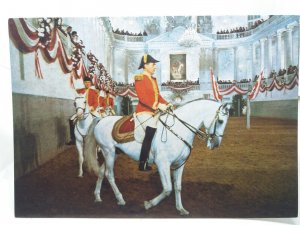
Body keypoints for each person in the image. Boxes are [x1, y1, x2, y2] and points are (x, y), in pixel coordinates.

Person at [135, 54, 173, 171]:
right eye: (153, 64)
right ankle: (142, 162)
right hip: (144, 112)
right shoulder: (139, 78)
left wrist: (167, 104)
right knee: (151, 129)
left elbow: (158, 96)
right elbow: (143, 98)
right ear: (145, 65)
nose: (155, 67)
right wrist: (157, 106)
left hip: (154, 112)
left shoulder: (153, 79)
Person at [66, 76, 99, 145]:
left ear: (90, 84)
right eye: (86, 82)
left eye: (89, 82)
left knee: (99, 119)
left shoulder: (94, 92)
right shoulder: (80, 91)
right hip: (82, 110)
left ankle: (99, 138)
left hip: (91, 110)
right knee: (71, 119)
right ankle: (73, 138)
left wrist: (92, 108)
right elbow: (76, 98)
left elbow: (96, 103)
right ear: (84, 83)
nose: (87, 84)